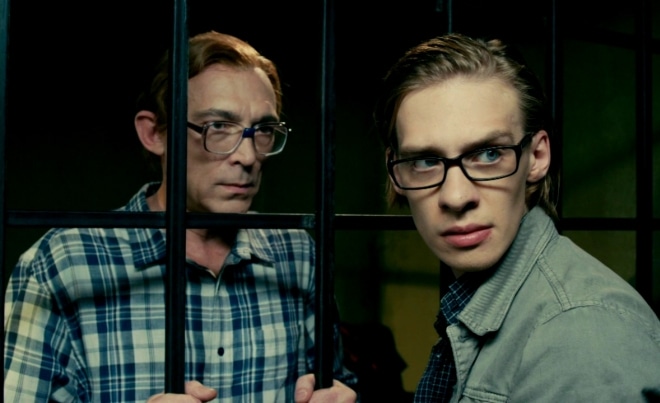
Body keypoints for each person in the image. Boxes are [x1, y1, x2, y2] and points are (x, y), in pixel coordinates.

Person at [4, 31, 357, 402]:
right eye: (218, 127)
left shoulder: (298, 255)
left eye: (264, 130)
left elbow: (337, 384)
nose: (249, 156)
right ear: (154, 133)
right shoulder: (63, 264)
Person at [374, 32, 660, 402]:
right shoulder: (490, 305)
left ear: (537, 157)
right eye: (425, 161)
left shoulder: (580, 333)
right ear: (396, 171)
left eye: (489, 154)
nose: (456, 197)